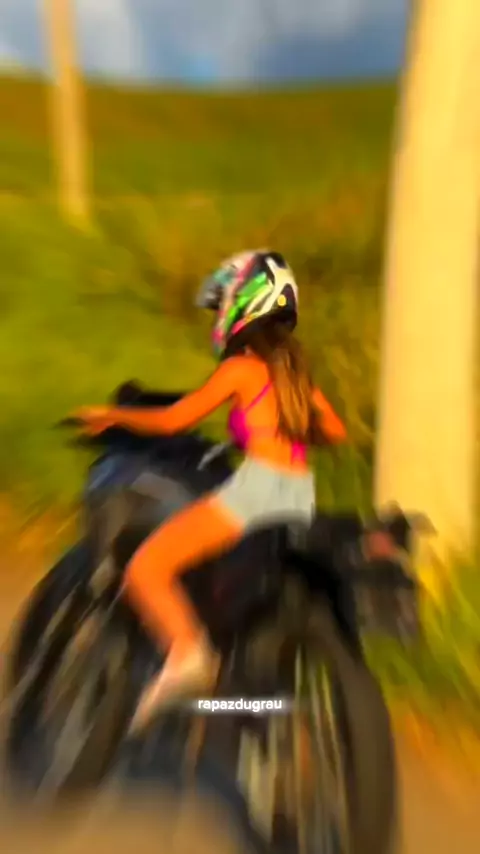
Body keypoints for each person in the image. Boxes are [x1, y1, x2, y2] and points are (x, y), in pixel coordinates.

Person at [73, 250, 347, 732]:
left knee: (146, 569)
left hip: (256, 490)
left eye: (220, 305)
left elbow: (174, 420)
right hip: (299, 494)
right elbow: (335, 430)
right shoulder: (295, 373)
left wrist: (112, 416)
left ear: (241, 304)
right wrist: (285, 430)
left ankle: (189, 654)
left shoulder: (240, 369)